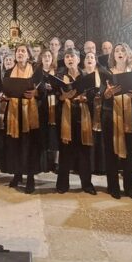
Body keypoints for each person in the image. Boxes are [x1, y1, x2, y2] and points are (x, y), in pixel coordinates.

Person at [102, 44, 132, 199]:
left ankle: (130, 188)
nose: (119, 53)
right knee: (111, 154)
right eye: (117, 51)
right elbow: (99, 97)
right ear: (113, 56)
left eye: (122, 51)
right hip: (111, 118)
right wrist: (106, 94)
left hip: (130, 118)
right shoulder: (106, 74)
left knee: (130, 155)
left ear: (128, 55)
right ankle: (113, 187)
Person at [2, 44, 41, 194]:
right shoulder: (8, 71)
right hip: (14, 112)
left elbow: (42, 89)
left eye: (23, 51)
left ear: (29, 55)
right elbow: (4, 88)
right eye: (18, 51)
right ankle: (17, 175)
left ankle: (30, 178)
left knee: (29, 146)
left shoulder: (36, 71)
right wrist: (4, 95)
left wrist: (36, 93)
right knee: (15, 144)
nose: (20, 53)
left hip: (30, 113)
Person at [56, 48, 96, 195]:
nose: (69, 59)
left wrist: (86, 98)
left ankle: (87, 184)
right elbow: (55, 95)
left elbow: (93, 93)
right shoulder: (60, 76)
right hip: (66, 117)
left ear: (79, 59)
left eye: (72, 56)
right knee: (65, 152)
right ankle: (62, 184)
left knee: (84, 152)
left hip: (82, 116)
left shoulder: (87, 75)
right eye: (67, 57)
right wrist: (62, 96)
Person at [83, 51, 107, 175]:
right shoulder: (81, 75)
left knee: (100, 138)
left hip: (99, 109)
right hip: (85, 110)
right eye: (87, 57)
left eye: (92, 57)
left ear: (95, 61)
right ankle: (89, 166)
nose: (89, 59)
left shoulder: (102, 75)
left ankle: (100, 166)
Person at [36, 49, 59, 172]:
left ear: (52, 58)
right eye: (44, 56)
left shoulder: (57, 72)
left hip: (55, 107)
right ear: (41, 58)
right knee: (42, 134)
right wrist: (43, 88)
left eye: (49, 56)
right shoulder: (37, 72)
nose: (47, 58)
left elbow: (61, 88)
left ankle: (55, 163)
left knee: (54, 135)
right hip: (41, 106)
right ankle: (43, 163)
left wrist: (54, 88)